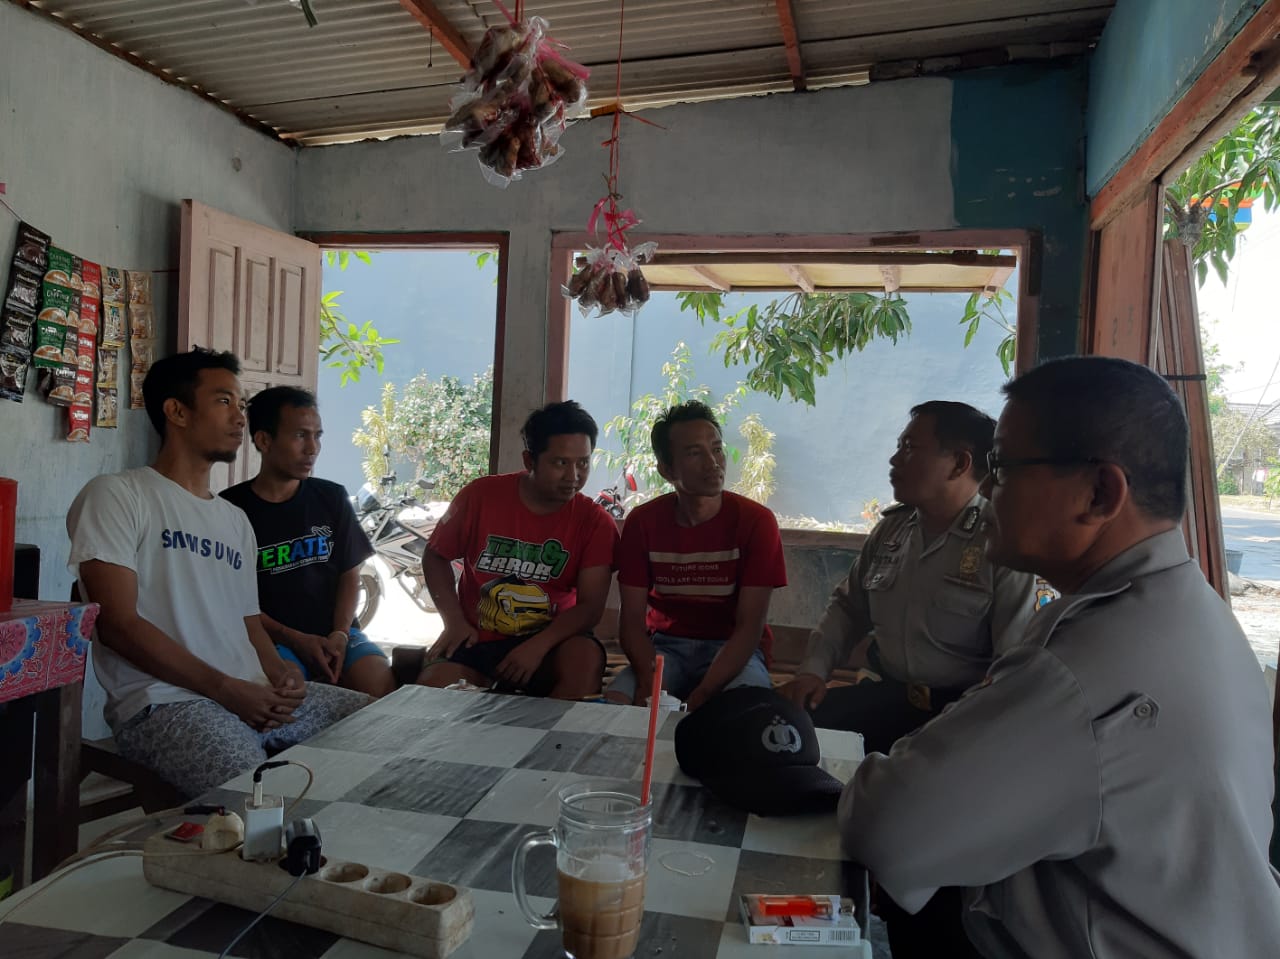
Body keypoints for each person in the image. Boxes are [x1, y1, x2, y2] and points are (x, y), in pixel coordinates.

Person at [841, 356, 1280, 958]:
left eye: (1002, 467)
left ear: (1100, 493)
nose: (987, 489)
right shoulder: (1196, 613)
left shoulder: (1086, 663)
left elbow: (886, 828)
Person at [66, 350, 370, 798]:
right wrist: (227, 690)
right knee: (261, 799)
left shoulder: (233, 520)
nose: (240, 418)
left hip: (251, 696)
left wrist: (280, 674)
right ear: (177, 411)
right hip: (167, 705)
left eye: (241, 405)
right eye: (224, 401)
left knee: (381, 727)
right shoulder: (118, 495)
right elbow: (118, 625)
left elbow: (248, 622)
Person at [780, 402, 1045, 755]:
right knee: (781, 733)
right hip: (886, 699)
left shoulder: (1002, 541)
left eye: (909, 448)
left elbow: (1014, 666)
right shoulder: (893, 529)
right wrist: (813, 671)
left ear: (960, 463)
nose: (894, 460)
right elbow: (848, 608)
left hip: (962, 715)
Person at [417, 400, 618, 699]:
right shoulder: (480, 496)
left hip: (552, 643)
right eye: (560, 463)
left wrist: (538, 646)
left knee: (584, 659)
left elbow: (590, 608)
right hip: (476, 640)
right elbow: (435, 556)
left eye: (583, 463)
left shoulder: (595, 522)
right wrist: (454, 621)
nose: (573, 476)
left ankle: (555, 732)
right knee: (432, 690)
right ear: (529, 460)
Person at [607, 400, 786, 712]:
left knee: (745, 712)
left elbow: (749, 627)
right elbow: (632, 622)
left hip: (733, 650)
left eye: (716, 449)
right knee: (616, 704)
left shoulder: (757, 522)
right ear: (666, 470)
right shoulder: (643, 522)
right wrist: (649, 681)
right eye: (694, 453)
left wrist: (702, 695)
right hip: (665, 648)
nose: (713, 463)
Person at [221, 386, 395, 698]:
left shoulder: (331, 497)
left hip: (337, 635)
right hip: (272, 640)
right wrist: (296, 639)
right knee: (288, 691)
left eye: (317, 436)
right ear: (264, 440)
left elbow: (350, 573)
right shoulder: (230, 510)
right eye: (300, 436)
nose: (312, 448)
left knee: (379, 686)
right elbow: (232, 600)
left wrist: (340, 634)